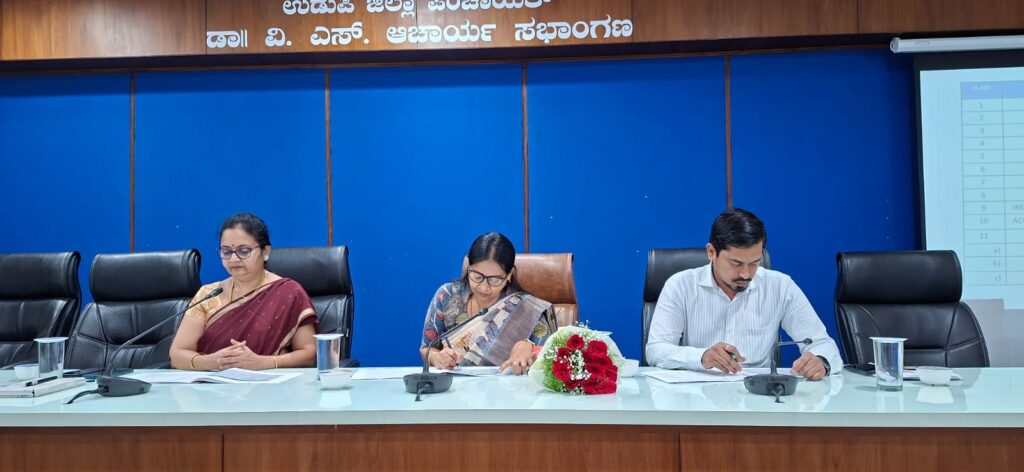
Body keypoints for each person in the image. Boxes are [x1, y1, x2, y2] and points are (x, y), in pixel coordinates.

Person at [645, 208, 843, 380]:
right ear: (711, 252)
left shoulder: (780, 286)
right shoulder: (680, 286)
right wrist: (702, 356)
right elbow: (655, 350)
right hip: (697, 395)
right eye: (736, 263)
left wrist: (821, 361)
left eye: (754, 263)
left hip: (759, 397)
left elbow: (822, 343)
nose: (746, 274)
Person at [170, 213, 317, 371]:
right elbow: (177, 354)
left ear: (266, 251)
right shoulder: (208, 294)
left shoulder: (290, 292)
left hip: (269, 382)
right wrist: (212, 362)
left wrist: (263, 362)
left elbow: (309, 354)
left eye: (244, 251)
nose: (233, 259)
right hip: (212, 382)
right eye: (226, 252)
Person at [420, 232, 557, 375]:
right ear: (468, 267)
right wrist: (437, 358)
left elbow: (550, 358)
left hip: (507, 387)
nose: (484, 287)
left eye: (494, 280)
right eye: (477, 276)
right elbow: (426, 348)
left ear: (509, 274)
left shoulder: (528, 309)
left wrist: (528, 348)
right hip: (453, 385)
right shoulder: (447, 296)